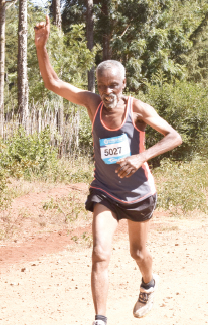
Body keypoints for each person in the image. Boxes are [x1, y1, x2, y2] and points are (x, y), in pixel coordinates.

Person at [34, 16, 183, 325]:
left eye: (113, 85)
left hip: (138, 193)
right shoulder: (92, 105)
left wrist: (141, 157)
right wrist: (41, 45)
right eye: (102, 86)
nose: (107, 91)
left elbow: (174, 137)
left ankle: (148, 283)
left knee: (138, 254)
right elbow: (53, 83)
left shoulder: (137, 108)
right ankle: (100, 319)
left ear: (123, 84)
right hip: (105, 191)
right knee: (100, 253)